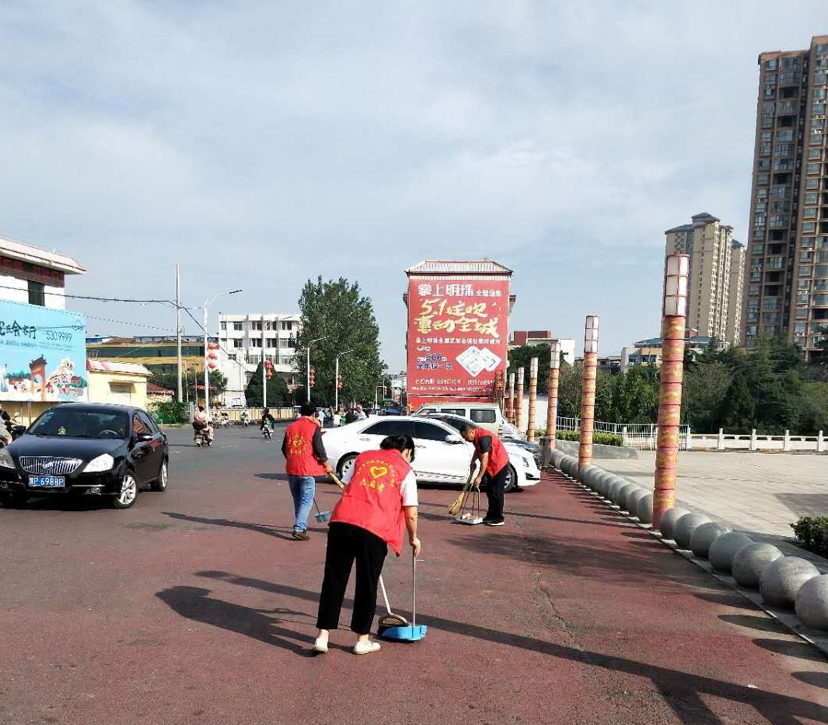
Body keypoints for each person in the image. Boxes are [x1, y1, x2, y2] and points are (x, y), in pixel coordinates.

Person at [313, 435, 421, 656]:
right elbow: (410, 512)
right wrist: (414, 538)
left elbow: (347, 486)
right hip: (374, 528)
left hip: (342, 521)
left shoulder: (363, 458)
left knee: (334, 578)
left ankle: (322, 636)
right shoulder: (405, 470)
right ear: (408, 452)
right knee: (367, 583)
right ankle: (362, 640)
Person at [281, 402, 335, 540]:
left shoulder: (291, 427)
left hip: (292, 469)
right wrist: (327, 465)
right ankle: (299, 528)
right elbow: (319, 448)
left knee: (298, 501)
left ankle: (302, 526)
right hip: (306, 470)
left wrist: (293, 459)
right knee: (306, 501)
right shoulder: (313, 427)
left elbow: (284, 448)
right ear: (314, 414)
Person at [460, 423, 510, 526]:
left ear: (472, 432)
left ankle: (498, 518)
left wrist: (479, 477)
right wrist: (473, 461)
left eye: (466, 437)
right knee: (490, 491)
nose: (466, 440)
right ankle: (491, 515)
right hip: (491, 466)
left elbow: (484, 460)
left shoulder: (483, 438)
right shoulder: (476, 438)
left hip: (499, 464)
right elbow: (477, 450)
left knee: (497, 492)